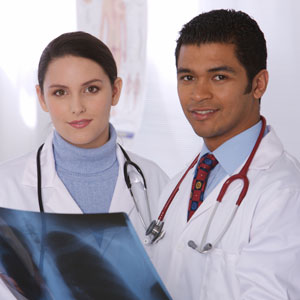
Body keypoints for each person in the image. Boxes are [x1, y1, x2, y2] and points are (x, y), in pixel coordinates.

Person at [0, 31, 169, 297]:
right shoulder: (6, 186)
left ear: (115, 91)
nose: (76, 107)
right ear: (42, 98)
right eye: (60, 92)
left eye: (91, 89)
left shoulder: (155, 181)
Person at [150, 9, 300, 300]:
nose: (198, 94)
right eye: (188, 77)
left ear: (258, 84)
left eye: (219, 76)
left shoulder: (285, 195)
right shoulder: (178, 185)